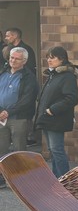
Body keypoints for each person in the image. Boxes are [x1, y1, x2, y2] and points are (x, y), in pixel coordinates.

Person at [34, 46, 78, 178]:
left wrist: (51, 110)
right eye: (48, 57)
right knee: (52, 150)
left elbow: (72, 98)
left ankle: (65, 179)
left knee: (57, 150)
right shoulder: (53, 74)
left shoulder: (67, 76)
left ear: (62, 59)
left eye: (52, 57)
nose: (49, 59)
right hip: (47, 118)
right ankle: (56, 178)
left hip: (56, 119)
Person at [0, 48, 38, 185]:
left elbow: (27, 99)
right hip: (1, 118)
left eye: (16, 58)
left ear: (24, 61)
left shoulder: (29, 77)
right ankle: (3, 177)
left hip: (19, 118)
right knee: (1, 148)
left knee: (19, 148)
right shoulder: (3, 72)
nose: (12, 60)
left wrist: (8, 112)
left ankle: (21, 179)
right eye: (11, 57)